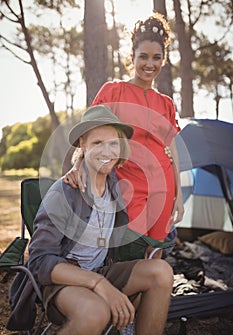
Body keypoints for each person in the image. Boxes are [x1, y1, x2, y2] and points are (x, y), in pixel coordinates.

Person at [15, 105, 173, 335]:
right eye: (97, 142)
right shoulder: (64, 192)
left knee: (161, 272)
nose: (106, 151)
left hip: (101, 269)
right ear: (83, 145)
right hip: (63, 279)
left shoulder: (114, 185)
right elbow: (39, 261)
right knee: (95, 312)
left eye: (113, 143)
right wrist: (99, 284)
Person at [63, 12, 184, 244]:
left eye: (156, 58)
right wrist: (78, 165)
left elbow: (173, 150)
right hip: (127, 183)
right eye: (143, 57)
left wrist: (179, 196)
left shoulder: (166, 103)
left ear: (164, 60)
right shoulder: (114, 91)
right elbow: (91, 133)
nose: (150, 64)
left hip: (164, 186)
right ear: (132, 56)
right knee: (130, 248)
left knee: (156, 249)